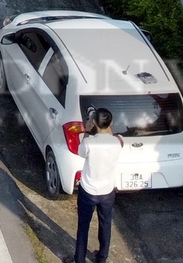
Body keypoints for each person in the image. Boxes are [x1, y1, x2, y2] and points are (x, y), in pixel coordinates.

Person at [73, 107, 123, 263]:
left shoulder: (89, 143)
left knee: (83, 226)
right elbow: (114, 136)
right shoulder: (117, 142)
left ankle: (79, 259)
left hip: (88, 191)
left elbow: (80, 152)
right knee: (106, 224)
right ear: (111, 123)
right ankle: (102, 257)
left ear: (93, 122)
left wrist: (87, 131)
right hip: (107, 192)